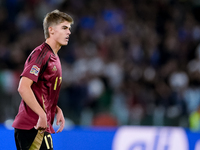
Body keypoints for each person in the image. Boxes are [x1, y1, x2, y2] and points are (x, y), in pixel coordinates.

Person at [12, 9, 74, 150]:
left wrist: (56, 109)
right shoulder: (41, 54)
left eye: (69, 29)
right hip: (32, 125)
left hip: (39, 125)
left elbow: (40, 90)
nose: (68, 32)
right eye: (64, 28)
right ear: (51, 30)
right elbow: (23, 87)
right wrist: (42, 114)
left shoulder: (54, 57)